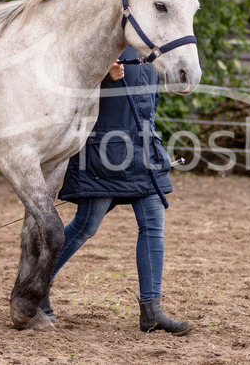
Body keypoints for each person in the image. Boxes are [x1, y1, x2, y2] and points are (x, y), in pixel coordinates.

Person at [42, 46, 194, 335]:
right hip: (104, 153)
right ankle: (38, 287)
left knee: (153, 225)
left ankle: (151, 311)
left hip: (144, 152)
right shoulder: (104, 39)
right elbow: (69, 90)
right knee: (87, 225)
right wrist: (106, 77)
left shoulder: (154, 52)